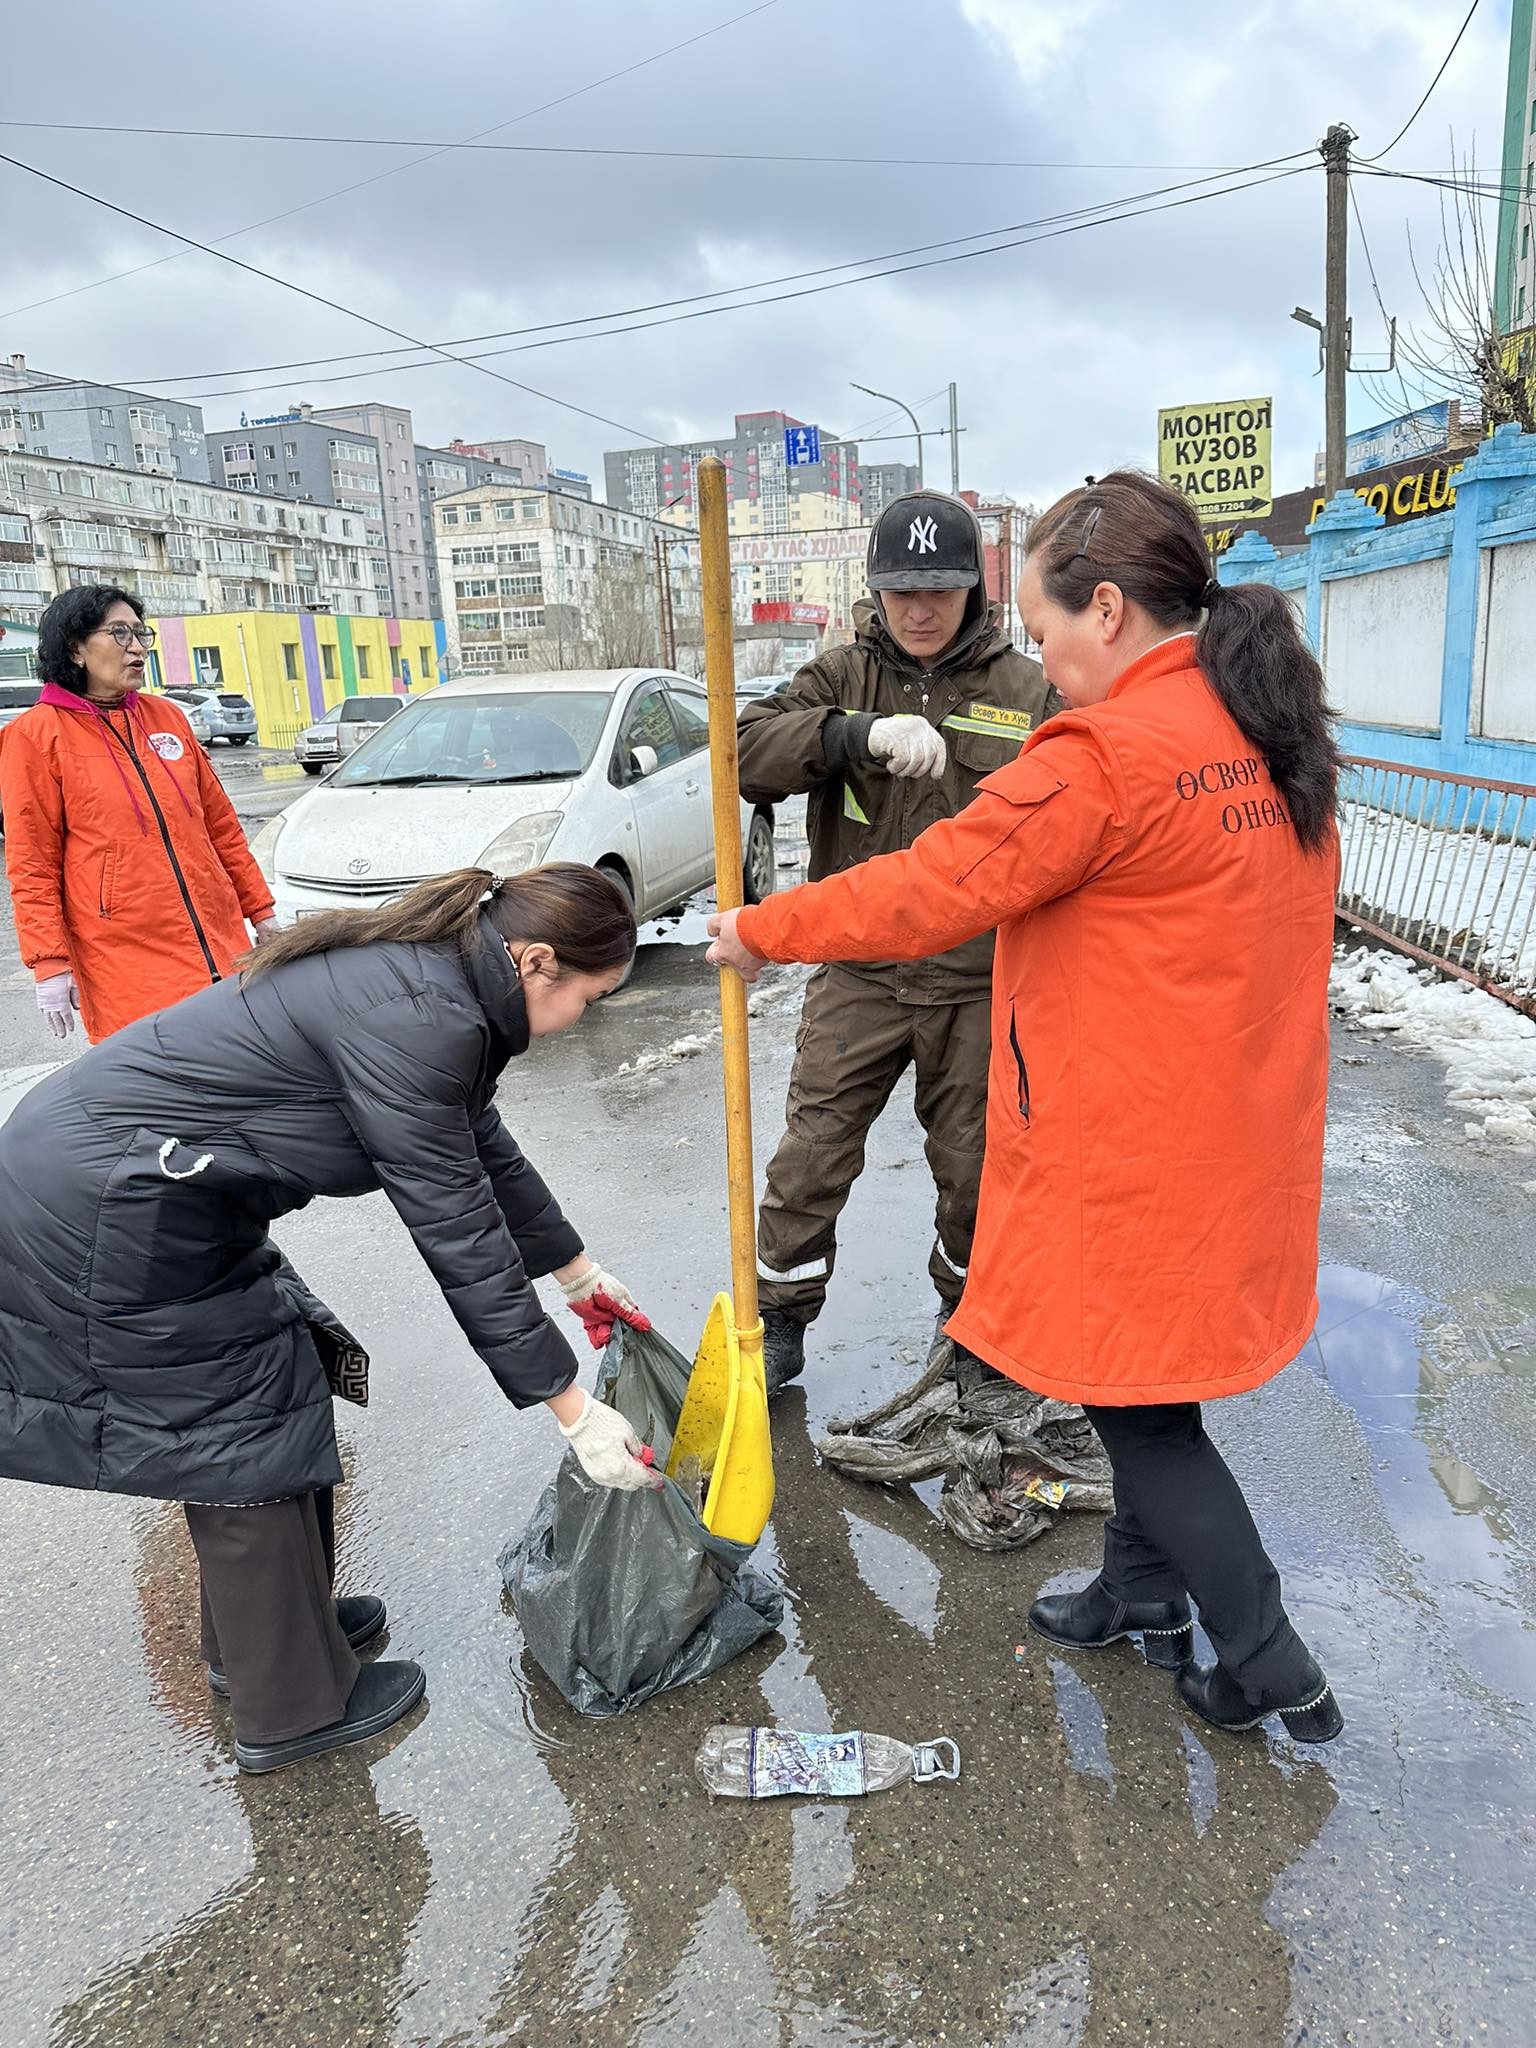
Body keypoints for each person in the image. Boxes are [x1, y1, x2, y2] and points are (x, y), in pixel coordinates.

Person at [709, 470, 1344, 1743]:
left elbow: (933, 884)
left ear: (1106, 610)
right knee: (1150, 1387)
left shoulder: (1111, 755)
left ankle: (1272, 1659)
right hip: (1232, 1126)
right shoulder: (1259, 731)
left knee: (1145, 1419)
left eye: (1052, 636)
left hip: (1136, 1138)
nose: (1046, 664)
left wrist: (757, 929)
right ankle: (1141, 1593)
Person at [0, 863, 662, 1774]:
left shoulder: (440, 982)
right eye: (590, 995)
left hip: (149, 1190)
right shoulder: (422, 1012)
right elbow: (455, 1226)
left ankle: (275, 1632)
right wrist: (571, 1410)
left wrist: (576, 1271)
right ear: (535, 959)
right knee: (237, 1419)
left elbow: (475, 1144)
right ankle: (289, 1706)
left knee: (282, 1372)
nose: (584, 1016)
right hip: (105, 1214)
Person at [736, 488, 1059, 1395]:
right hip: (859, 975)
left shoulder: (1026, 692)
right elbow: (743, 753)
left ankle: (968, 1333)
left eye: (940, 590)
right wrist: (851, 736)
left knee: (974, 1171)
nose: (919, 610)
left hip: (974, 980)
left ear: (975, 591)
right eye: (901, 591)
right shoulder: (842, 676)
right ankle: (782, 1319)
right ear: (875, 592)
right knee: (811, 1156)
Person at [1, 583, 278, 1043]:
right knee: (163, 1091)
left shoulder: (167, 718)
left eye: (140, 634)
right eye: (119, 634)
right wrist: (48, 961)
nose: (138, 648)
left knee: (243, 1076)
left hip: (220, 944)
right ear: (76, 649)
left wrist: (260, 909)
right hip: (124, 960)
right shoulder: (36, 736)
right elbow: (32, 863)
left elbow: (221, 827)